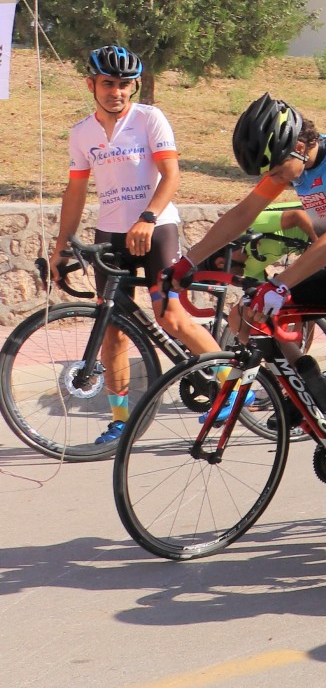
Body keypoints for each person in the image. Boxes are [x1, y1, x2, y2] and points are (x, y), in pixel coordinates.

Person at [171, 95, 326, 548]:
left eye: (281, 168)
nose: (278, 178)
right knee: (250, 311)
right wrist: (187, 261)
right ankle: (307, 390)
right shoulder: (289, 163)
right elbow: (242, 213)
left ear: (301, 144)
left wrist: (280, 283)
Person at [50, 46, 221, 447]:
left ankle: (230, 385)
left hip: (157, 228)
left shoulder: (149, 118)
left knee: (172, 318)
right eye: (108, 83)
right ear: (91, 84)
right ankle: (121, 420)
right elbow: (75, 193)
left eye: (125, 84)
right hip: (110, 234)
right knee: (112, 332)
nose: (117, 92)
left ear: (135, 86)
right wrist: (61, 248)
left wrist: (148, 217)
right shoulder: (82, 133)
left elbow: (171, 174)